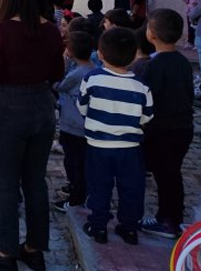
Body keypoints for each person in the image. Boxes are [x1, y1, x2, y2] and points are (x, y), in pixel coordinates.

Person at [0, 0, 64, 271]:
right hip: (42, 108)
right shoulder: (50, 29)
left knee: (6, 184)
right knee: (35, 181)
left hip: (9, 111)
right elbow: (56, 73)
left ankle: (6, 254)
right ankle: (34, 248)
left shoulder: (1, 31)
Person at [78, 27, 153, 246]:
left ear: (100, 53)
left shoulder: (92, 79)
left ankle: (98, 226)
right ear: (133, 55)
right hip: (130, 148)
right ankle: (129, 229)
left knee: (99, 186)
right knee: (131, 188)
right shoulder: (141, 85)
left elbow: (82, 107)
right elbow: (147, 116)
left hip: (97, 145)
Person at [139, 9, 194, 239]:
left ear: (151, 35)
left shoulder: (153, 66)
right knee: (172, 173)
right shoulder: (183, 62)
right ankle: (174, 217)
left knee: (166, 175)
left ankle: (167, 221)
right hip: (183, 128)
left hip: (162, 129)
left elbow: (148, 99)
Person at [53, 31, 95, 212]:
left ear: (70, 51)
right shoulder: (93, 68)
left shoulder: (77, 73)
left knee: (74, 162)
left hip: (73, 126)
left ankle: (77, 197)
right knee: (80, 161)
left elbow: (57, 85)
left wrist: (63, 61)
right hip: (85, 125)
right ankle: (79, 189)